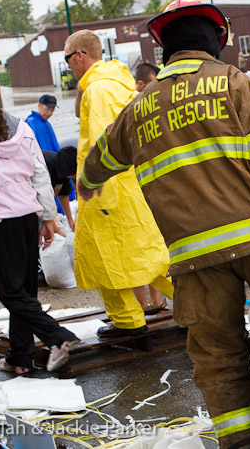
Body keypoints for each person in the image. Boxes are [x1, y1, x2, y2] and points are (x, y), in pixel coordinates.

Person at [77, 0, 250, 449]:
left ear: (164, 50)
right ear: (217, 40)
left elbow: (99, 161)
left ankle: (241, 443)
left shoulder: (138, 108)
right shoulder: (235, 84)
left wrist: (87, 181)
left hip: (195, 260)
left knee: (218, 357)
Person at [0, 70, 79, 375]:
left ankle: (59, 338)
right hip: (26, 219)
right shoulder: (22, 128)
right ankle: (20, 357)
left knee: (10, 294)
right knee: (24, 291)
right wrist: (47, 216)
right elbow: (39, 174)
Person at [64, 29, 173, 339]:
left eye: (68, 59)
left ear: (81, 56)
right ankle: (198, 307)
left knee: (104, 260)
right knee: (149, 254)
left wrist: (90, 180)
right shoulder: (120, 85)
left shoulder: (98, 91)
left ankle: (128, 322)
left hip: (105, 189)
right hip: (130, 185)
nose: (68, 66)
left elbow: (101, 141)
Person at [130, 61, 170, 315]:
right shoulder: (131, 108)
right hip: (133, 190)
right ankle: (143, 304)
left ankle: (156, 301)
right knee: (136, 249)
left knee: (154, 248)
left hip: (152, 188)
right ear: (141, 84)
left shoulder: (153, 105)